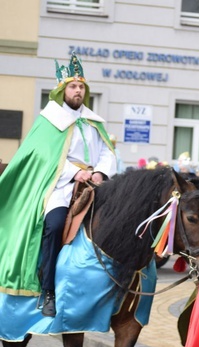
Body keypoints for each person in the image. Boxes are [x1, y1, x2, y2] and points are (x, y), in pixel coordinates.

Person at [0, 53, 115, 317]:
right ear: (62, 90)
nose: (78, 90)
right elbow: (43, 158)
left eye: (81, 87)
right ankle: (48, 290)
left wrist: (99, 172)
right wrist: (75, 173)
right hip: (60, 186)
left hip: (95, 183)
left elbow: (108, 152)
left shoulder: (93, 121)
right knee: (52, 226)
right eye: (73, 86)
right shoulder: (49, 120)